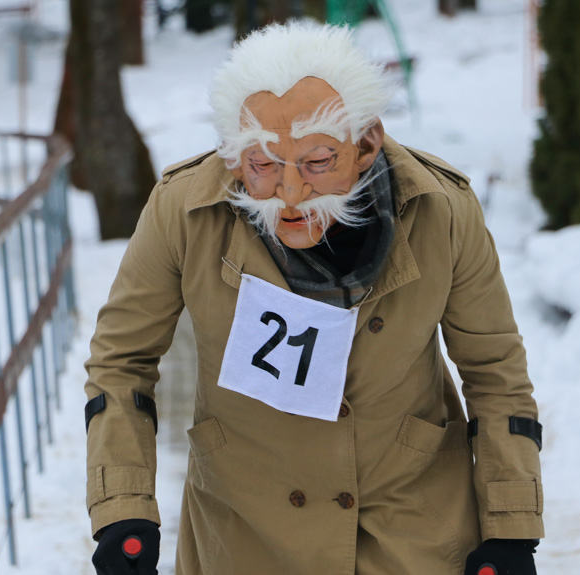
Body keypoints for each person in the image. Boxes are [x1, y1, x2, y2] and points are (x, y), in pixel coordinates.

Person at [84, 21, 544, 575]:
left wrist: (512, 529)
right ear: (233, 156)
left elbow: (495, 372)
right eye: (263, 165)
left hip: (413, 533)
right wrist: (123, 509)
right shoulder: (183, 210)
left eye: (318, 161)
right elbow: (119, 363)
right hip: (246, 534)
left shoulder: (442, 208)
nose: (291, 192)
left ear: (366, 143)